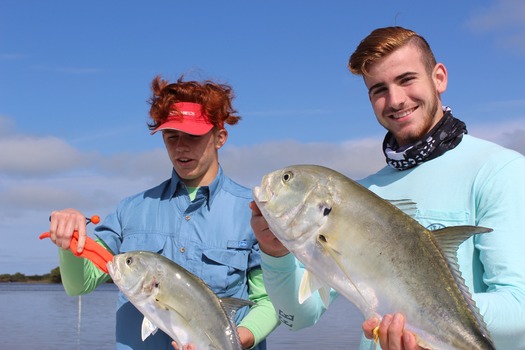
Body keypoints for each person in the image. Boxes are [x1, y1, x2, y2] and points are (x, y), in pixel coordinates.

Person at [250, 26, 525, 350]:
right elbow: (297, 317)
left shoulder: (498, 170)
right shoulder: (364, 193)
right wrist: (275, 253)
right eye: (378, 89)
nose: (395, 100)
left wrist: (422, 318)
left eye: (407, 79)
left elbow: (519, 312)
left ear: (439, 78)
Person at [48, 75, 280, 350]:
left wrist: (237, 340)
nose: (181, 146)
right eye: (172, 137)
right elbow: (80, 284)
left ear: (220, 137)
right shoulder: (130, 210)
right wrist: (69, 240)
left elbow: (272, 301)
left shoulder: (255, 212)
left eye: (193, 136)